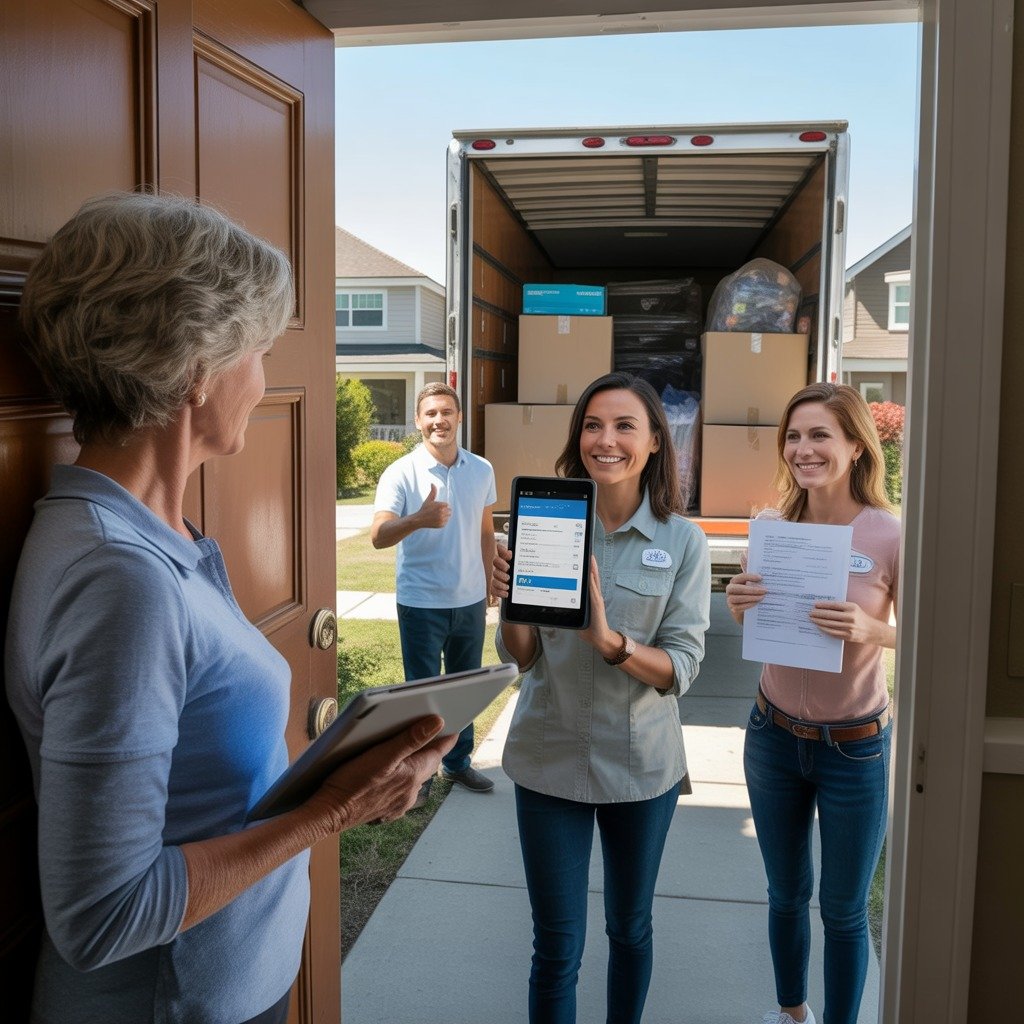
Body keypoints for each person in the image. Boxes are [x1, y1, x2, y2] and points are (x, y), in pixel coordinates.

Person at [4, 192, 456, 1024]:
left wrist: (348, 768)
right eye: (256, 349)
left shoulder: (151, 531)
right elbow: (104, 915)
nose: (264, 379)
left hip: (228, 986)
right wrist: (334, 810)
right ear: (194, 370)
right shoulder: (120, 578)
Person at [490, 371, 711, 1024]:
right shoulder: (546, 519)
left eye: (623, 426)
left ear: (652, 445)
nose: (604, 439)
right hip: (548, 755)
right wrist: (510, 604)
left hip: (640, 766)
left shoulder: (683, 542)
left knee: (629, 928)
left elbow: (683, 668)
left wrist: (609, 640)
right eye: (592, 424)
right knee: (556, 946)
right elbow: (523, 658)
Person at [725, 382, 900, 1024]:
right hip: (772, 736)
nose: (803, 448)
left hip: (854, 748)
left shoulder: (890, 534)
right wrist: (738, 604)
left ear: (855, 445)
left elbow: (928, 635)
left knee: (844, 909)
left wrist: (873, 630)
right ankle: (792, 1013)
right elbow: (760, 623)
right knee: (785, 894)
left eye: (820, 434)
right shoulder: (771, 528)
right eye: (794, 436)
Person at [371, 382, 498, 796]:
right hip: (421, 602)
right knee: (423, 696)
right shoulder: (401, 472)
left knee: (464, 691)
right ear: (418, 421)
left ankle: (457, 763)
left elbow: (485, 532)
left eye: (446, 412)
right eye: (430, 414)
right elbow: (378, 535)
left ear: (459, 417)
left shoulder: (482, 469)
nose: (439, 420)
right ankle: (418, 773)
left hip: (470, 600)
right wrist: (417, 519)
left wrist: (488, 581)